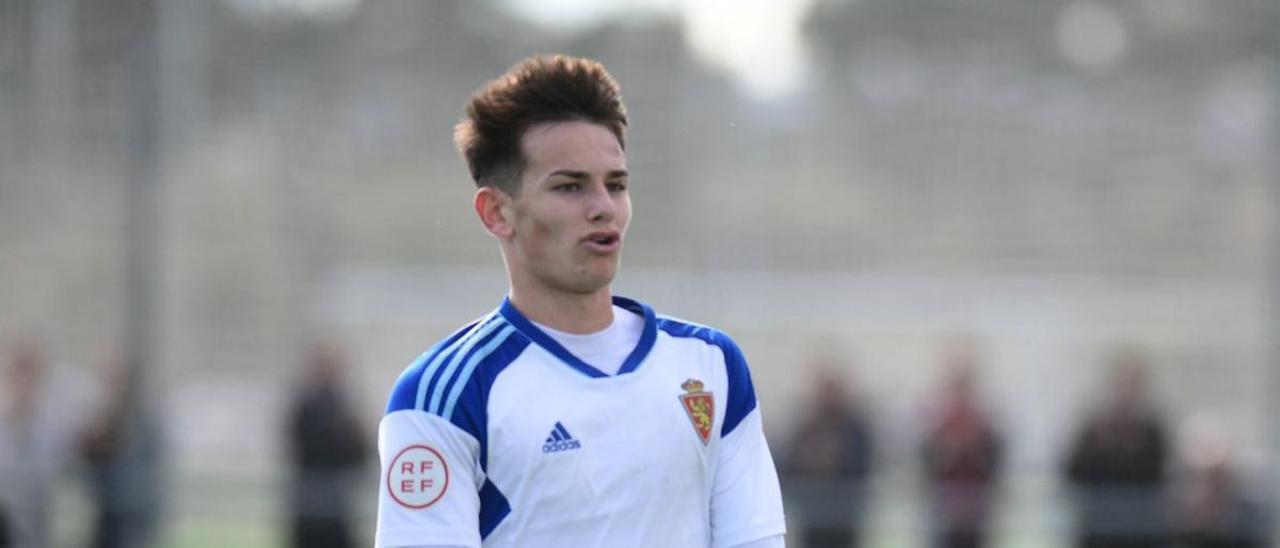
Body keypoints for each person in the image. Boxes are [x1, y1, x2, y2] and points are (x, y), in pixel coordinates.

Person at [374, 55, 786, 548]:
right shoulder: (444, 396)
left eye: (616, 185)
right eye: (570, 187)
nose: (603, 208)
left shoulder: (710, 366)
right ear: (496, 213)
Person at [1063, 346, 1170, 548]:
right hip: (1098, 534)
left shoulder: (1153, 433)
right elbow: (1072, 473)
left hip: (1142, 534)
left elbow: (1160, 478)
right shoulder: (1093, 431)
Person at [287, 342, 369, 548]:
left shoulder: (340, 406)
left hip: (335, 499)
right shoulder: (310, 406)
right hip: (314, 497)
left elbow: (359, 451)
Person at [782, 365, 875, 548]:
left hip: (844, 518)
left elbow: (862, 461)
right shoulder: (806, 426)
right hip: (812, 518)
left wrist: (836, 460)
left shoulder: (854, 427)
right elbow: (789, 460)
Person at [919, 349, 1003, 548]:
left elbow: (993, 462)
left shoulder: (984, 425)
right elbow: (927, 463)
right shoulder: (938, 425)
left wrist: (975, 453)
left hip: (976, 506)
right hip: (945, 505)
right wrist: (947, 453)